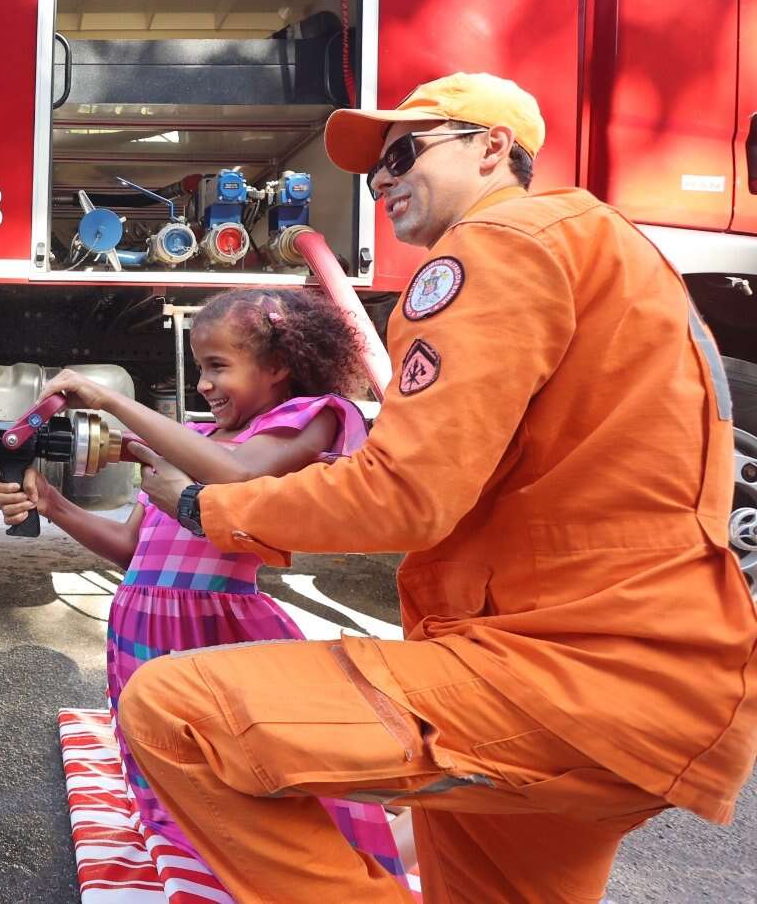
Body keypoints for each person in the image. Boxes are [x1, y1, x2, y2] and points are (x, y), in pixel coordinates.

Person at [115, 72, 757, 903]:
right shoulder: (607, 250)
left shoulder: (498, 244)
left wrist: (208, 506)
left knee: (175, 715)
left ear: (493, 149)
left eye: (404, 151)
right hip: (653, 693)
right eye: (375, 167)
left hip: (557, 677)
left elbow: (405, 495)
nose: (380, 179)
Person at [0, 287, 406, 881]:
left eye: (219, 366)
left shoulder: (308, 419)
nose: (205, 384)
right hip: (140, 626)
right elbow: (133, 549)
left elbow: (236, 474)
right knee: (170, 770)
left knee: (243, 767)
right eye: (200, 367)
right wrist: (52, 504)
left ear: (278, 366)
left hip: (216, 627)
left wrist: (112, 401)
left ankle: (289, 873)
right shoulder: (193, 438)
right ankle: (200, 867)